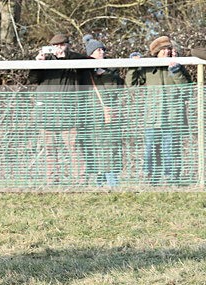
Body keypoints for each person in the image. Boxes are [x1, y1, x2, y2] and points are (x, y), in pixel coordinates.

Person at [126, 36, 192, 185]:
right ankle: (152, 178)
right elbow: (132, 85)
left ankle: (172, 179)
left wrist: (176, 72)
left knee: (172, 150)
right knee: (151, 149)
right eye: (164, 49)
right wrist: (133, 66)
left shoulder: (178, 67)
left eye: (169, 48)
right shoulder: (148, 68)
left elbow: (187, 90)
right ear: (156, 52)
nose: (167, 51)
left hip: (173, 118)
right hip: (153, 118)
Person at [29, 34, 87, 185]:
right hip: (46, 114)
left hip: (68, 113)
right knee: (49, 148)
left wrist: (65, 57)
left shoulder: (74, 60)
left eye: (62, 45)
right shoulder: (45, 61)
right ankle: (52, 180)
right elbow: (33, 79)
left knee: (74, 147)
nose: (58, 48)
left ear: (68, 45)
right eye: (55, 45)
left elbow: (88, 63)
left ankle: (80, 180)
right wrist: (38, 63)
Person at [79, 37, 124, 188]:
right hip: (90, 118)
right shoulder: (84, 72)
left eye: (103, 49)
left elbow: (115, 91)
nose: (102, 52)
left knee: (110, 148)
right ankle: (98, 180)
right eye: (98, 50)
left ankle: (112, 181)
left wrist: (104, 75)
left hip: (108, 119)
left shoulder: (112, 70)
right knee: (93, 149)